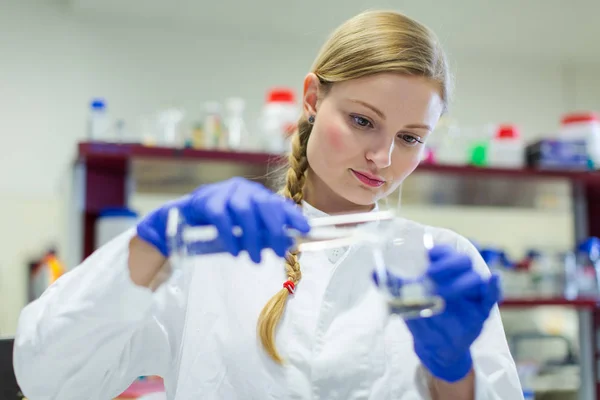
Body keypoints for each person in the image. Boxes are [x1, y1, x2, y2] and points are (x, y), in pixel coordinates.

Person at [13, 10, 522, 400]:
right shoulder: (208, 251)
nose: (382, 157)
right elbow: (49, 375)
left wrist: (454, 371)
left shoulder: (440, 261)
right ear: (313, 99)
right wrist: (154, 243)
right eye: (363, 121)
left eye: (410, 138)